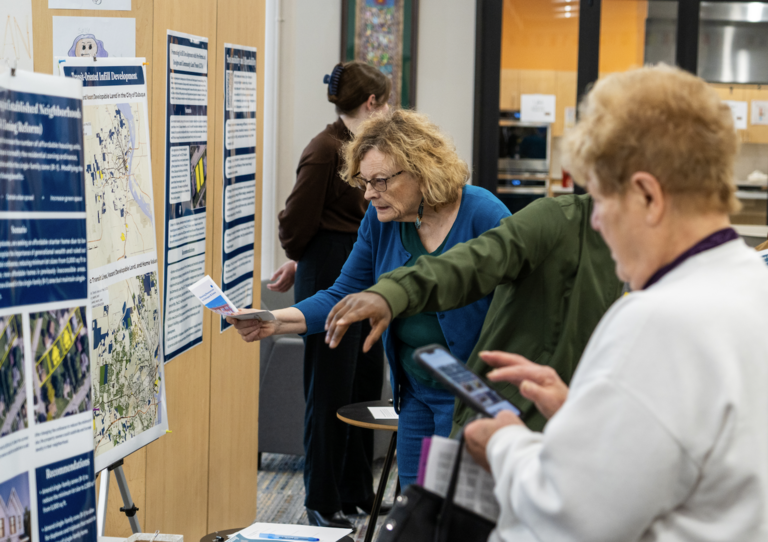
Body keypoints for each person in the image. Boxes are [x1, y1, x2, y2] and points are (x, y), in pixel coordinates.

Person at [463, 65, 768, 541]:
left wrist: (503, 441)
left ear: (648, 195)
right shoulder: (751, 284)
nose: (598, 223)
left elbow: (568, 513)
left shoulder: (657, 321)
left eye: (601, 201)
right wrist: (584, 417)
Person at [229, 109, 511, 490]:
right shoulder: (380, 222)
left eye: (380, 181)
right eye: (364, 181)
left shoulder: (483, 214)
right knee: (415, 505)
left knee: (454, 511)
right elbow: (344, 294)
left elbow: (517, 307)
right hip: (415, 391)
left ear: (423, 170)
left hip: (469, 393)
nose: (368, 193)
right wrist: (277, 320)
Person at [324, 191, 624, 435]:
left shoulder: (663, 279)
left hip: (602, 427)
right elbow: (473, 261)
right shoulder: (561, 218)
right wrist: (394, 293)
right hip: (524, 416)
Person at [260, 61, 391, 530]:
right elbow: (295, 224)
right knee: (330, 389)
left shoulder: (365, 148)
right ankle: (321, 497)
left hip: (360, 264)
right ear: (372, 102)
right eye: (387, 101)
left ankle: (357, 491)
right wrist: (303, 257)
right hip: (330, 272)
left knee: (364, 385)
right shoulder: (324, 149)